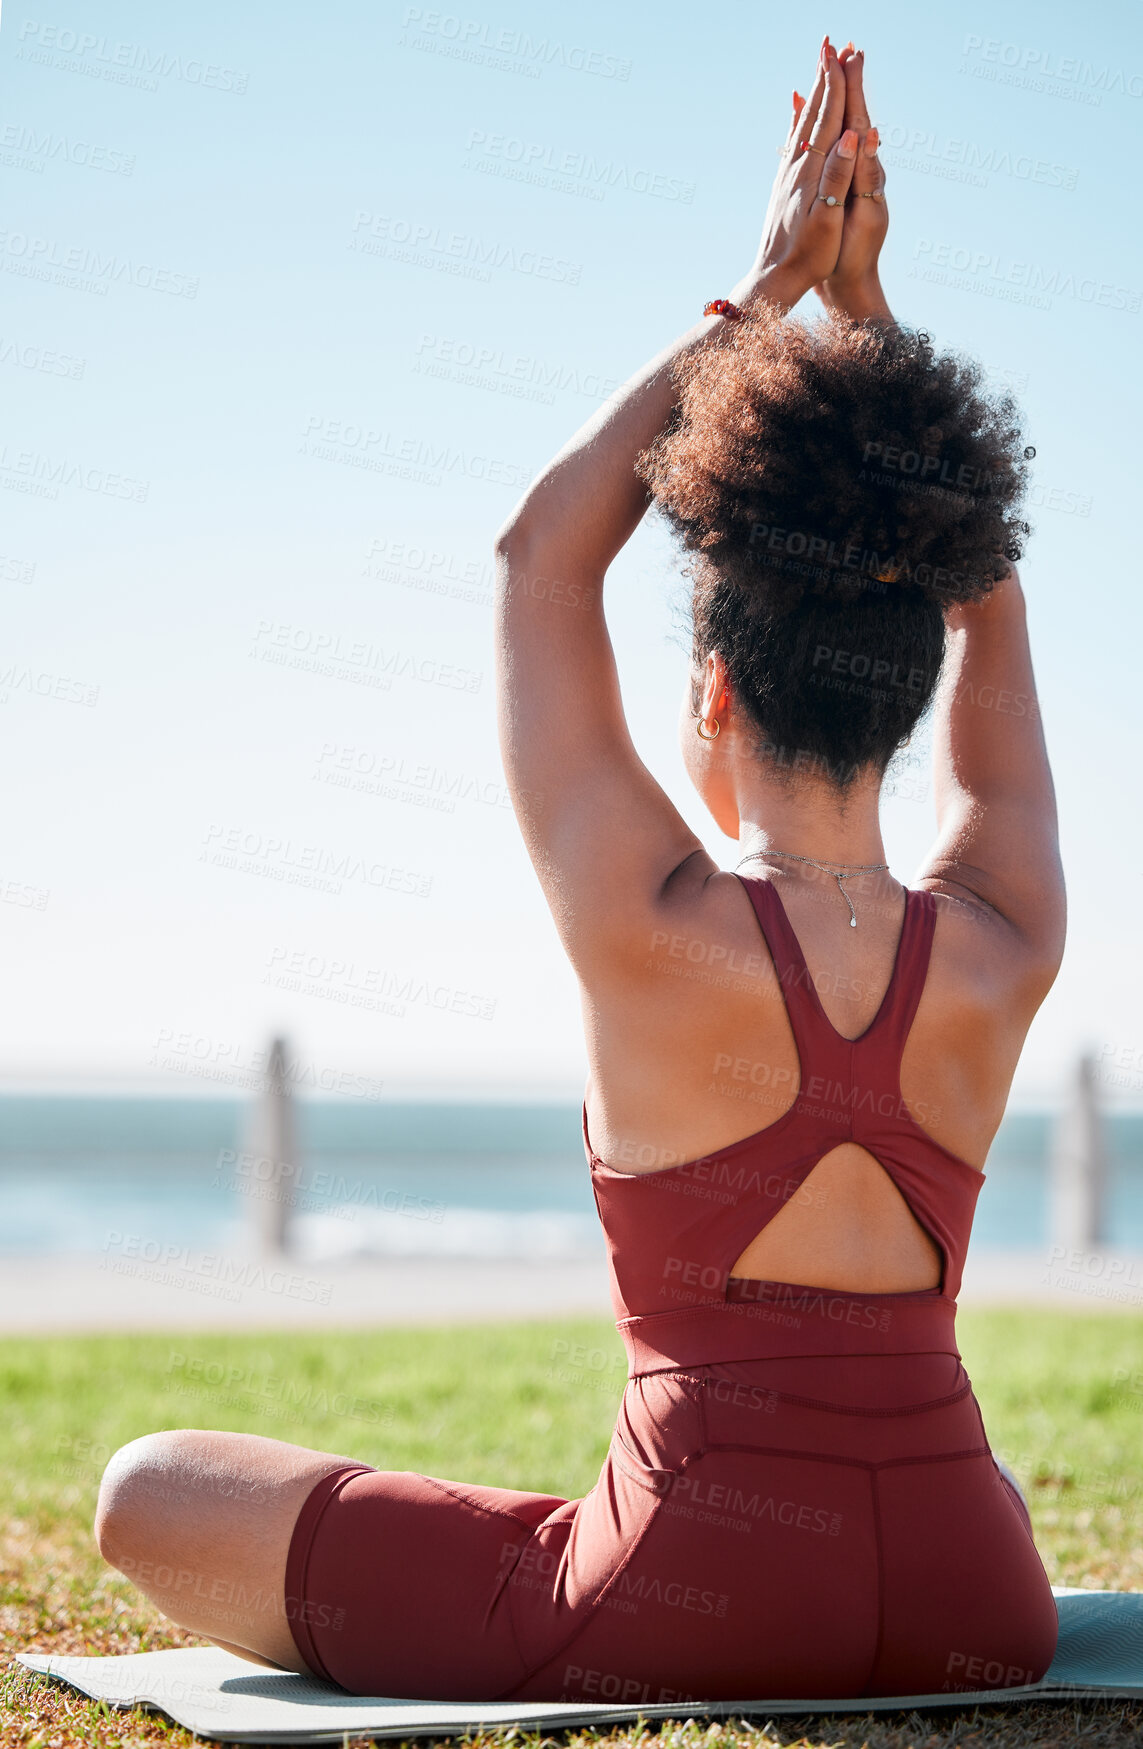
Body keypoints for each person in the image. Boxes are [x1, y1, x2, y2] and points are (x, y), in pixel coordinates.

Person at [93, 36, 1065, 1701]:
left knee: (147, 1493)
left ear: (714, 692)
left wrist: (765, 289)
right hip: (978, 1581)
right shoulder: (999, 940)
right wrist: (872, 340)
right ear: (915, 687)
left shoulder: (655, 927)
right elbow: (992, 602)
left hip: (701, 1577)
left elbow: (542, 555)